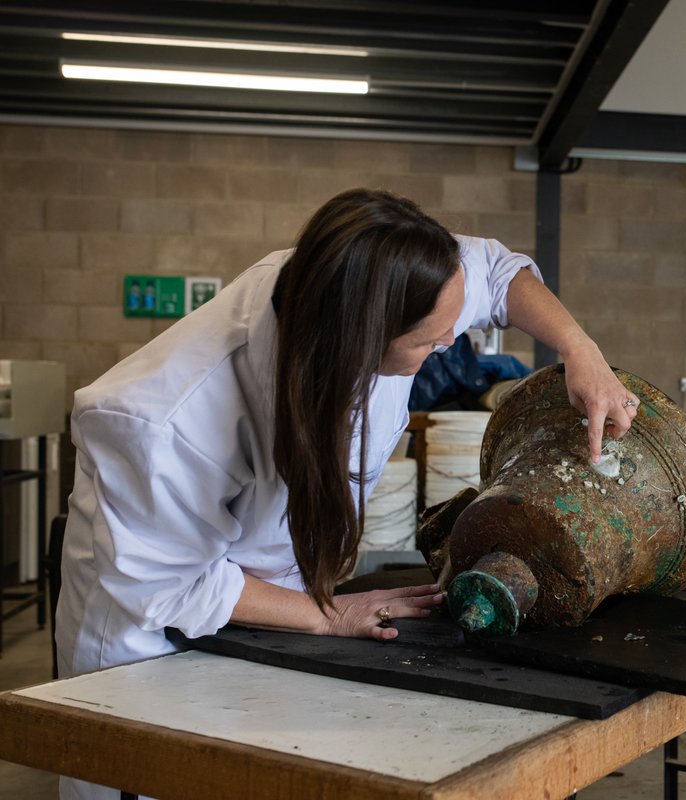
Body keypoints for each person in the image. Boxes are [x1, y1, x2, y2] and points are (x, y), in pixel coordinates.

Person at [57, 188, 638, 799]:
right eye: (428, 343)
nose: (449, 346)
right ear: (358, 341)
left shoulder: (392, 276)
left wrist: (580, 349)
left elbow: (494, 272)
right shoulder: (162, 423)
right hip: (153, 633)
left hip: (268, 593)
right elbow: (170, 586)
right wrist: (329, 614)